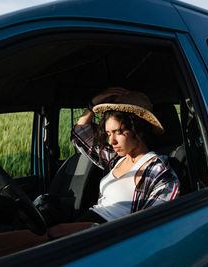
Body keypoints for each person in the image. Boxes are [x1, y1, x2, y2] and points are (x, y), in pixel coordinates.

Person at [54, 87, 180, 224]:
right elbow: (80, 133)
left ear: (138, 129)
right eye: (108, 133)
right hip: (87, 222)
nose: (111, 141)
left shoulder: (158, 172)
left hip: (107, 234)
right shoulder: (115, 158)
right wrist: (92, 105)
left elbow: (151, 226)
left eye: (118, 132)